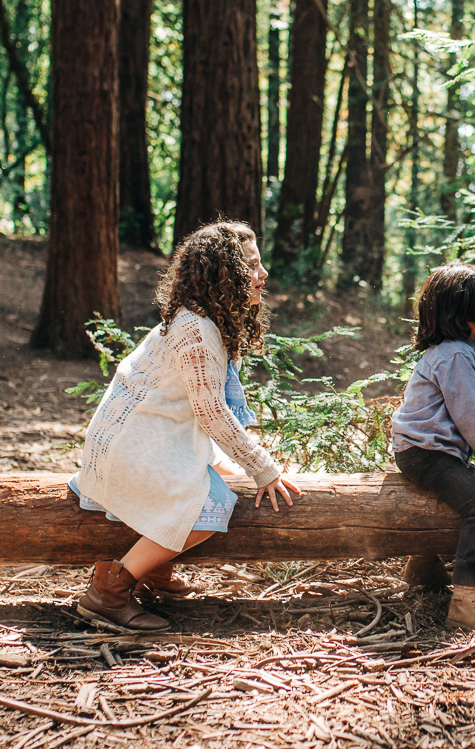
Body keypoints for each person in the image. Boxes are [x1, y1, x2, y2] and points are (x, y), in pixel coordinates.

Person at [69, 221, 302, 632]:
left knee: (222, 478)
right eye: (251, 266)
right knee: (210, 508)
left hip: (154, 435)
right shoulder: (196, 330)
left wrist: (246, 466)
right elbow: (212, 413)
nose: (262, 275)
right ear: (223, 274)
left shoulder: (203, 320)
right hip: (134, 444)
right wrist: (264, 467)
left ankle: (151, 570)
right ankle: (109, 592)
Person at [391, 263, 475, 631]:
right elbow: (471, 420)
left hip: (423, 452)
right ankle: (466, 602)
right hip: (426, 454)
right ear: (464, 312)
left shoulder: (453, 351)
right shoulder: (456, 355)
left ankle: (422, 567)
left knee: (446, 503)